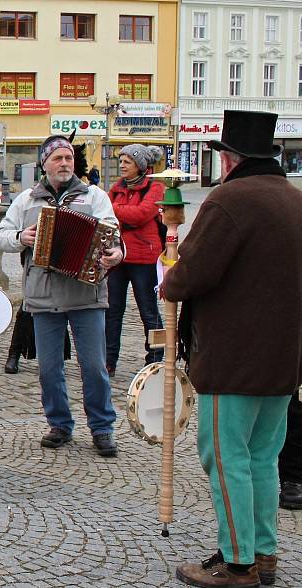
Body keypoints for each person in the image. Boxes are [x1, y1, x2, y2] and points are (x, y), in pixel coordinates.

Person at [164, 110, 302, 588]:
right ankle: (264, 553)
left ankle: (237, 562)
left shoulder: (229, 200)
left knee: (225, 457)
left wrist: (170, 279)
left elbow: (193, 273)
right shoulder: (293, 199)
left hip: (234, 358)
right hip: (283, 357)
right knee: (264, 458)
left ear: (229, 159)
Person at [0, 134, 123, 457]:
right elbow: (3, 236)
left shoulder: (94, 197)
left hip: (86, 293)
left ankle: (102, 427)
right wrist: (21, 237)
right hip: (42, 295)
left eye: (68, 158)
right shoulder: (26, 200)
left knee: (94, 366)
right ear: (44, 164)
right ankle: (60, 423)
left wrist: (115, 253)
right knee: (48, 368)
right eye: (57, 159)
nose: (64, 163)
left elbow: (112, 235)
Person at [104, 144, 165, 377]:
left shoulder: (155, 187)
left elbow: (141, 215)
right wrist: (121, 209)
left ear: (140, 166)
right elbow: (105, 212)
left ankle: (156, 357)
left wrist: (115, 208)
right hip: (118, 257)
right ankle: (108, 360)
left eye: (127, 162)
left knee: (148, 311)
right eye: (121, 161)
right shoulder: (117, 188)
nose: (122, 165)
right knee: (112, 310)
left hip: (144, 257)